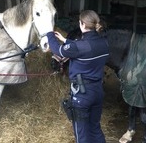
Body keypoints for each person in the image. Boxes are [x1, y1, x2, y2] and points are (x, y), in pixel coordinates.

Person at [46, 10, 109, 143]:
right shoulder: (104, 43)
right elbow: (85, 48)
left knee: (82, 135)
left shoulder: (79, 47)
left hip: (82, 94)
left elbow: (58, 51)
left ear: (82, 24)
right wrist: (66, 40)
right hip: (97, 91)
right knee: (95, 128)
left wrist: (49, 34)